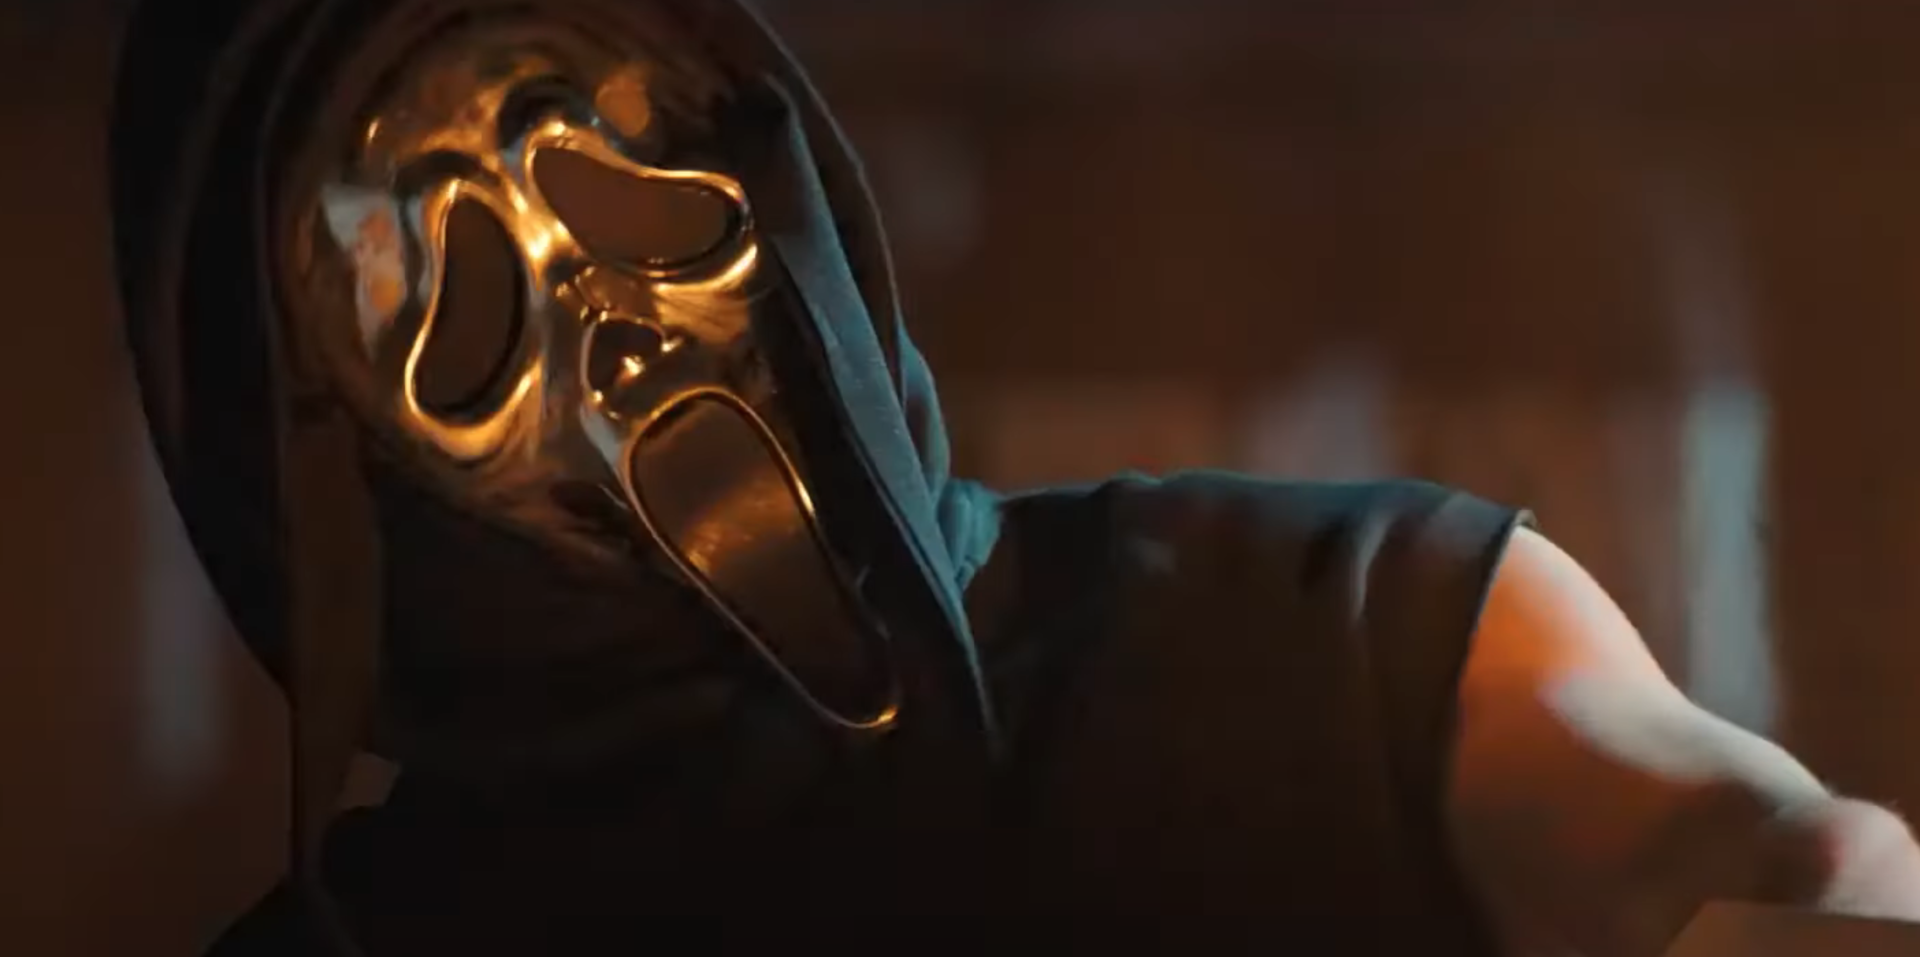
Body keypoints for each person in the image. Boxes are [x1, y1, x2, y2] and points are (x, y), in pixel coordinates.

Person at [108, 0, 1920, 953]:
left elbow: (1763, 850)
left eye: (620, 193)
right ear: (314, 453)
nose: (618, 340)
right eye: (457, 307)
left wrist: (1789, 875)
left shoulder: (1340, 653)